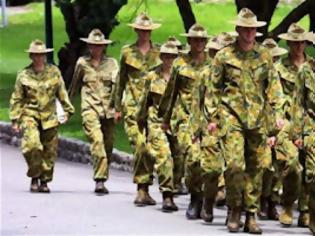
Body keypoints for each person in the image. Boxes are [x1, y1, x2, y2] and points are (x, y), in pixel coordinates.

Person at [210, 8, 284, 233]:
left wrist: (277, 114)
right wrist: (213, 116)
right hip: (231, 117)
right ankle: (234, 208)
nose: (250, 32)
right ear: (238, 29)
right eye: (246, 28)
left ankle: (251, 215)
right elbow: (213, 89)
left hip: (258, 120)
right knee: (234, 165)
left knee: (256, 168)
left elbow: (274, 88)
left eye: (253, 28)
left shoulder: (264, 56)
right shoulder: (224, 56)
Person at [158, 23, 212, 220]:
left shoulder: (213, 64)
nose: (199, 43)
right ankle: (195, 196)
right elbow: (170, 93)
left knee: (209, 163)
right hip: (184, 119)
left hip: (207, 119)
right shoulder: (180, 64)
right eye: (195, 40)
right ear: (189, 41)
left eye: (202, 40)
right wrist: (164, 118)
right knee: (192, 159)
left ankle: (207, 198)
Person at [9, 39, 74, 193]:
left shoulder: (54, 73)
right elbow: (17, 98)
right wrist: (15, 119)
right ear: (31, 56)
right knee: (32, 145)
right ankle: (34, 175)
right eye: (35, 55)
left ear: (45, 56)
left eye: (41, 55)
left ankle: (44, 180)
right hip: (30, 115)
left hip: (49, 116)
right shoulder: (24, 75)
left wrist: (67, 111)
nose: (39, 58)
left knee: (49, 151)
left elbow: (62, 93)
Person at [114, 13, 161, 205]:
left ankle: (147, 186)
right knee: (140, 145)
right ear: (136, 30)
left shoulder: (159, 53)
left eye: (147, 31)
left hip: (154, 109)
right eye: (141, 30)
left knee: (151, 148)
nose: (144, 34)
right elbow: (120, 81)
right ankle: (142, 189)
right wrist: (116, 106)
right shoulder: (127, 52)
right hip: (133, 108)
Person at [69, 29, 118, 194]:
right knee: (97, 141)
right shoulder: (82, 63)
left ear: (103, 47)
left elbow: (118, 88)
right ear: (89, 46)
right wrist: (67, 109)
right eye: (93, 45)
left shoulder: (112, 64)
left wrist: (119, 108)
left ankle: (103, 172)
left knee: (108, 144)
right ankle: (100, 180)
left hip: (108, 110)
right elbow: (73, 88)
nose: (96, 49)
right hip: (90, 108)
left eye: (99, 46)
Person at [276, 23, 313, 227]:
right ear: (289, 43)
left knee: (310, 168)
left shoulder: (312, 68)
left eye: (301, 43)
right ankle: (289, 204)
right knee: (292, 165)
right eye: (294, 43)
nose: (298, 46)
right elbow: (274, 96)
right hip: (287, 123)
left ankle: (306, 209)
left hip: (309, 124)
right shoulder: (279, 68)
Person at [135, 41, 179, 212]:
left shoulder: (182, 76)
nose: (170, 60)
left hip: (177, 122)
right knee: (164, 156)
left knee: (180, 157)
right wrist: (141, 123)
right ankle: (167, 195)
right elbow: (143, 102)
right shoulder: (152, 77)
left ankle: (174, 187)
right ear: (161, 57)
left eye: (173, 56)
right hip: (156, 122)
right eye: (167, 56)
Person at [258, 38, 288, 221]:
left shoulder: (283, 77)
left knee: (282, 161)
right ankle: (261, 199)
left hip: (282, 125)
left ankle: (272, 199)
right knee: (264, 165)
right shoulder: (259, 76)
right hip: (260, 124)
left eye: (275, 58)